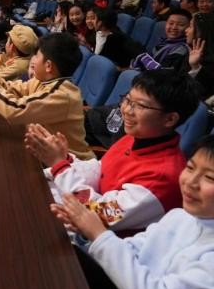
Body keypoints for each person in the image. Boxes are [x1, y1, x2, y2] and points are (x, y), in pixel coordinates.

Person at [29, 69, 198, 237]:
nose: (126, 110)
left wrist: (60, 166)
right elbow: (99, 171)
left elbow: (96, 215)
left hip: (93, 245)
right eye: (127, 100)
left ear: (170, 119)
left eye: (140, 106)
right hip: (74, 218)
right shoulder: (136, 137)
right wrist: (65, 159)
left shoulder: (162, 179)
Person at [49, 134, 214, 289]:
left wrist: (97, 233)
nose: (191, 182)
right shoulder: (179, 216)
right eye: (190, 168)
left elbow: (101, 212)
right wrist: (86, 232)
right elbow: (132, 249)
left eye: (210, 177)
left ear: (169, 120)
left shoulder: (161, 178)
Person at [0, 33, 95, 160]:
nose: (32, 60)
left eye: (37, 56)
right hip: (46, 155)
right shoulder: (43, 81)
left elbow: (15, 109)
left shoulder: (62, 95)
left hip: (70, 166)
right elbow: (11, 89)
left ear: (48, 66)